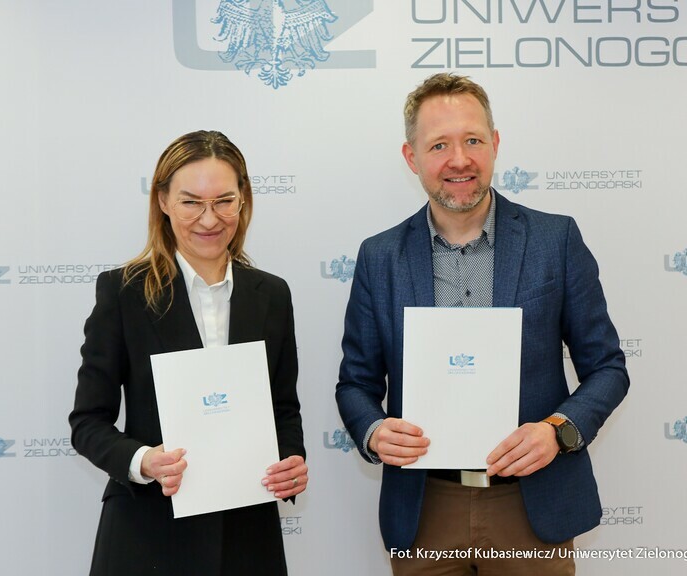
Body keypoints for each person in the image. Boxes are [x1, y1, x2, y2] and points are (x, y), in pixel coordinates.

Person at [335, 73, 629, 575]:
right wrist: (375, 430)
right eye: (439, 145)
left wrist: (557, 431)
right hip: (425, 506)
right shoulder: (379, 257)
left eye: (472, 140)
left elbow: (607, 367)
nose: (459, 159)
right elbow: (355, 384)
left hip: (533, 504)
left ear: (494, 144)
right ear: (412, 157)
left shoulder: (555, 240)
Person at [69, 130, 307, 576]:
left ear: (243, 199)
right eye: (191, 202)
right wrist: (144, 461)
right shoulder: (123, 292)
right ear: (163, 201)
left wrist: (291, 462)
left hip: (248, 537)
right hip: (147, 536)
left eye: (224, 201)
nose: (209, 219)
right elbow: (87, 423)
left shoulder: (272, 295)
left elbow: (283, 409)